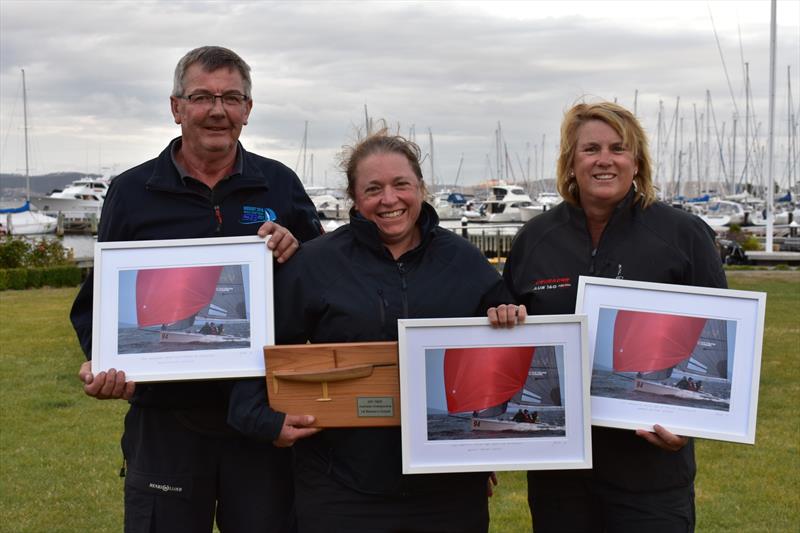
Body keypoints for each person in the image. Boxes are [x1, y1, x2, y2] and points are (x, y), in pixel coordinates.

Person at [70, 46, 322, 533]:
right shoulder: (131, 190)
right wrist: (106, 361)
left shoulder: (280, 185)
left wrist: (300, 250)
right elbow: (96, 303)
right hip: (167, 421)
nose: (217, 110)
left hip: (261, 416)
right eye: (202, 96)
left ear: (247, 109)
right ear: (177, 107)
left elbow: (324, 289)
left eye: (231, 97)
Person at [228, 128, 524, 532]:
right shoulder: (314, 264)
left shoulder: (465, 261)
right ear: (355, 197)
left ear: (420, 187)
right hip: (341, 487)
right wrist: (262, 420)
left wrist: (508, 318)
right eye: (373, 189)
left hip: (448, 492)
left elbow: (507, 343)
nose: (389, 200)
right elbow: (261, 346)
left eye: (401, 184)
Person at [501, 101, 727, 532]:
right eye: (590, 149)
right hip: (560, 473)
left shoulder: (683, 234)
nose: (605, 159)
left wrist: (690, 426)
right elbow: (510, 342)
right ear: (571, 163)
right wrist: (502, 317)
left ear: (637, 162)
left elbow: (716, 331)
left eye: (618, 148)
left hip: (652, 470)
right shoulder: (535, 240)